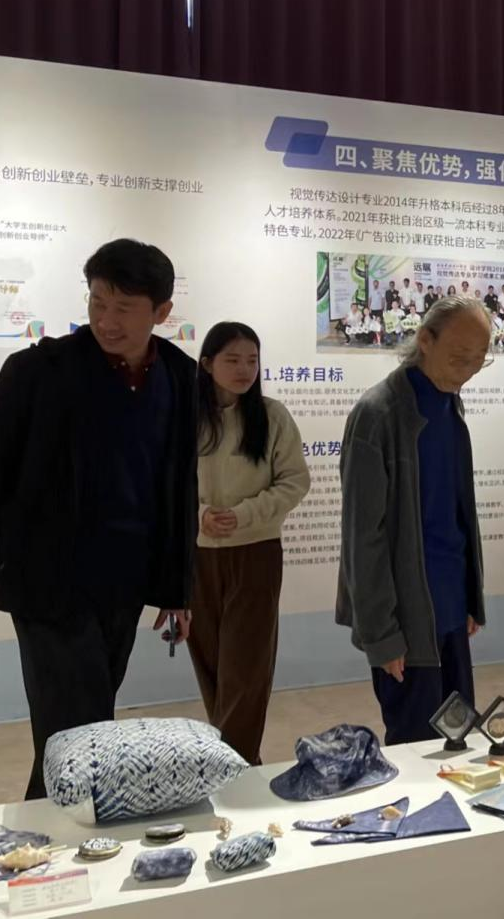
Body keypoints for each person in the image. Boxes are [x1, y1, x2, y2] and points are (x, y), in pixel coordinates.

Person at [0, 239, 198, 800]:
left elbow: (178, 488)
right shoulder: (38, 373)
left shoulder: (178, 377)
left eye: (124, 308)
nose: (106, 320)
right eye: (98, 302)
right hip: (48, 583)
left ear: (162, 312)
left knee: (82, 728)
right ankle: (61, 838)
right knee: (77, 730)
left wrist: (177, 589)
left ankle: (47, 832)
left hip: (124, 584)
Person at [336, 297, 491, 745]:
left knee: (459, 738)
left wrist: (469, 597)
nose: (469, 370)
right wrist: (381, 636)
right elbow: (362, 538)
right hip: (405, 620)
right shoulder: (377, 415)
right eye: (460, 357)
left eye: (480, 359)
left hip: (450, 608)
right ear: (425, 340)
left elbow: (457, 513)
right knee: (415, 749)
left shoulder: (449, 406)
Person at [189, 322, 310, 765]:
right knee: (210, 663)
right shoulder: (185, 416)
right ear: (207, 364)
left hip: (256, 552)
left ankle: (235, 765)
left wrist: (243, 515)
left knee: (246, 667)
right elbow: (162, 482)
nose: (244, 369)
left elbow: (294, 481)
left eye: (252, 361)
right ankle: (232, 759)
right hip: (197, 555)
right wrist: (200, 514)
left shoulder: (272, 416)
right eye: (233, 360)